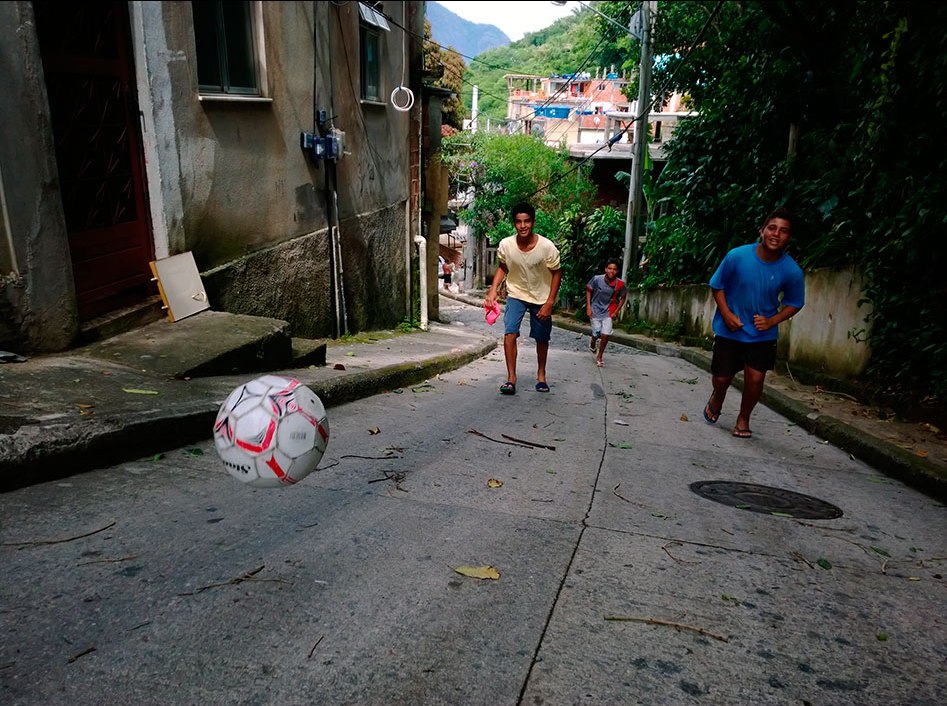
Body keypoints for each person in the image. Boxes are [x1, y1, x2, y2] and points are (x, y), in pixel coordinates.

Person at [703, 207, 805, 438]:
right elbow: (717, 285)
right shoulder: (737, 256)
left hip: (762, 334)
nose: (776, 234)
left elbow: (795, 302)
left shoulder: (792, 271)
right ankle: (718, 396)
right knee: (721, 378)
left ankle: (743, 418)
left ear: (789, 238)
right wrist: (727, 314)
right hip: (729, 330)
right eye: (772, 228)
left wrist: (772, 321)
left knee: (756, 379)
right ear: (762, 231)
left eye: (784, 231)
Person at [484, 202, 562, 395]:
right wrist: (493, 289)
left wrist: (550, 303)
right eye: (519, 222)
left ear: (533, 222)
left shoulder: (546, 247)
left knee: (542, 338)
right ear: (514, 224)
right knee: (510, 332)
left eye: (527, 221)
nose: (523, 225)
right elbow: (503, 266)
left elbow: (557, 273)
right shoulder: (506, 245)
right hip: (516, 294)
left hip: (541, 297)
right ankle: (511, 378)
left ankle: (541, 375)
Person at [586, 258, 627, 367]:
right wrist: (588, 307)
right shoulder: (596, 279)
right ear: (605, 269)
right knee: (597, 333)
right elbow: (589, 290)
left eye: (614, 269)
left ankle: (600, 355)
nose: (611, 271)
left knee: (606, 334)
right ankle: (593, 342)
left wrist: (617, 311)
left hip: (609, 311)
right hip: (595, 309)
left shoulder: (620, 284)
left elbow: (623, 297)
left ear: (617, 271)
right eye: (609, 268)